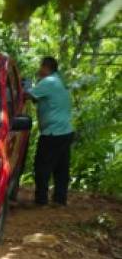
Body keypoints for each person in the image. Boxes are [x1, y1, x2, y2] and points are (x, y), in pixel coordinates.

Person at [26, 56, 74, 206]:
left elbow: (28, 95)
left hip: (53, 132)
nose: (39, 70)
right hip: (65, 131)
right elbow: (39, 99)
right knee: (61, 168)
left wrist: (25, 87)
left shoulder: (48, 82)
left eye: (41, 67)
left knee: (42, 166)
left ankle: (41, 200)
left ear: (46, 67)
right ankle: (60, 199)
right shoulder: (58, 81)